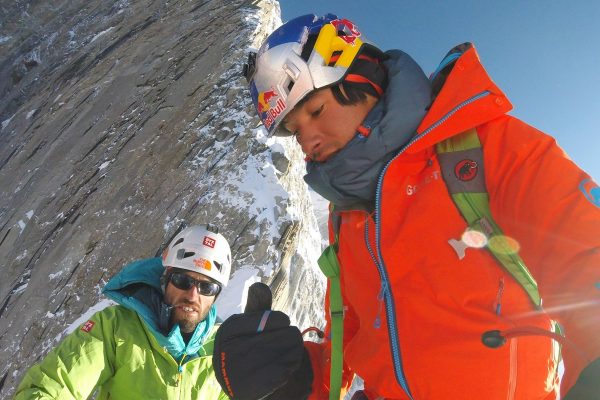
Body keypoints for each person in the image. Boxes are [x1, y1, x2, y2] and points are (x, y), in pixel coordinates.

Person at [236, 13, 600, 399]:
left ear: (362, 80)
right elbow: (350, 343)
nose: (308, 140)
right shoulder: (347, 216)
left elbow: (584, 257)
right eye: (294, 131)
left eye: (316, 111)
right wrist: (291, 378)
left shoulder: (488, 149)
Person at [14, 224, 232, 399]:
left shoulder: (223, 350)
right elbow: (52, 387)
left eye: (207, 287)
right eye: (183, 280)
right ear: (165, 279)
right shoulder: (114, 328)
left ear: (215, 296)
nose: (193, 295)